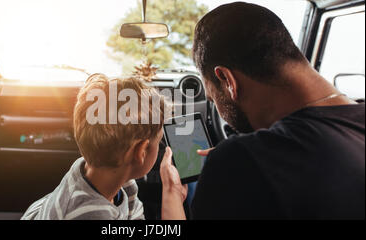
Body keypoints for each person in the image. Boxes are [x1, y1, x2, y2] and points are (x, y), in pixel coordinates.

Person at [163, 2, 365, 219]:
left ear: (227, 79)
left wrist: (174, 192)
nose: (214, 102)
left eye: (212, 96)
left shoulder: (241, 162)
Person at [21, 74, 187, 220]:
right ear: (141, 151)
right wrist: (173, 194)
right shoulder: (89, 214)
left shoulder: (112, 179)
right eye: (158, 142)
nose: (160, 147)